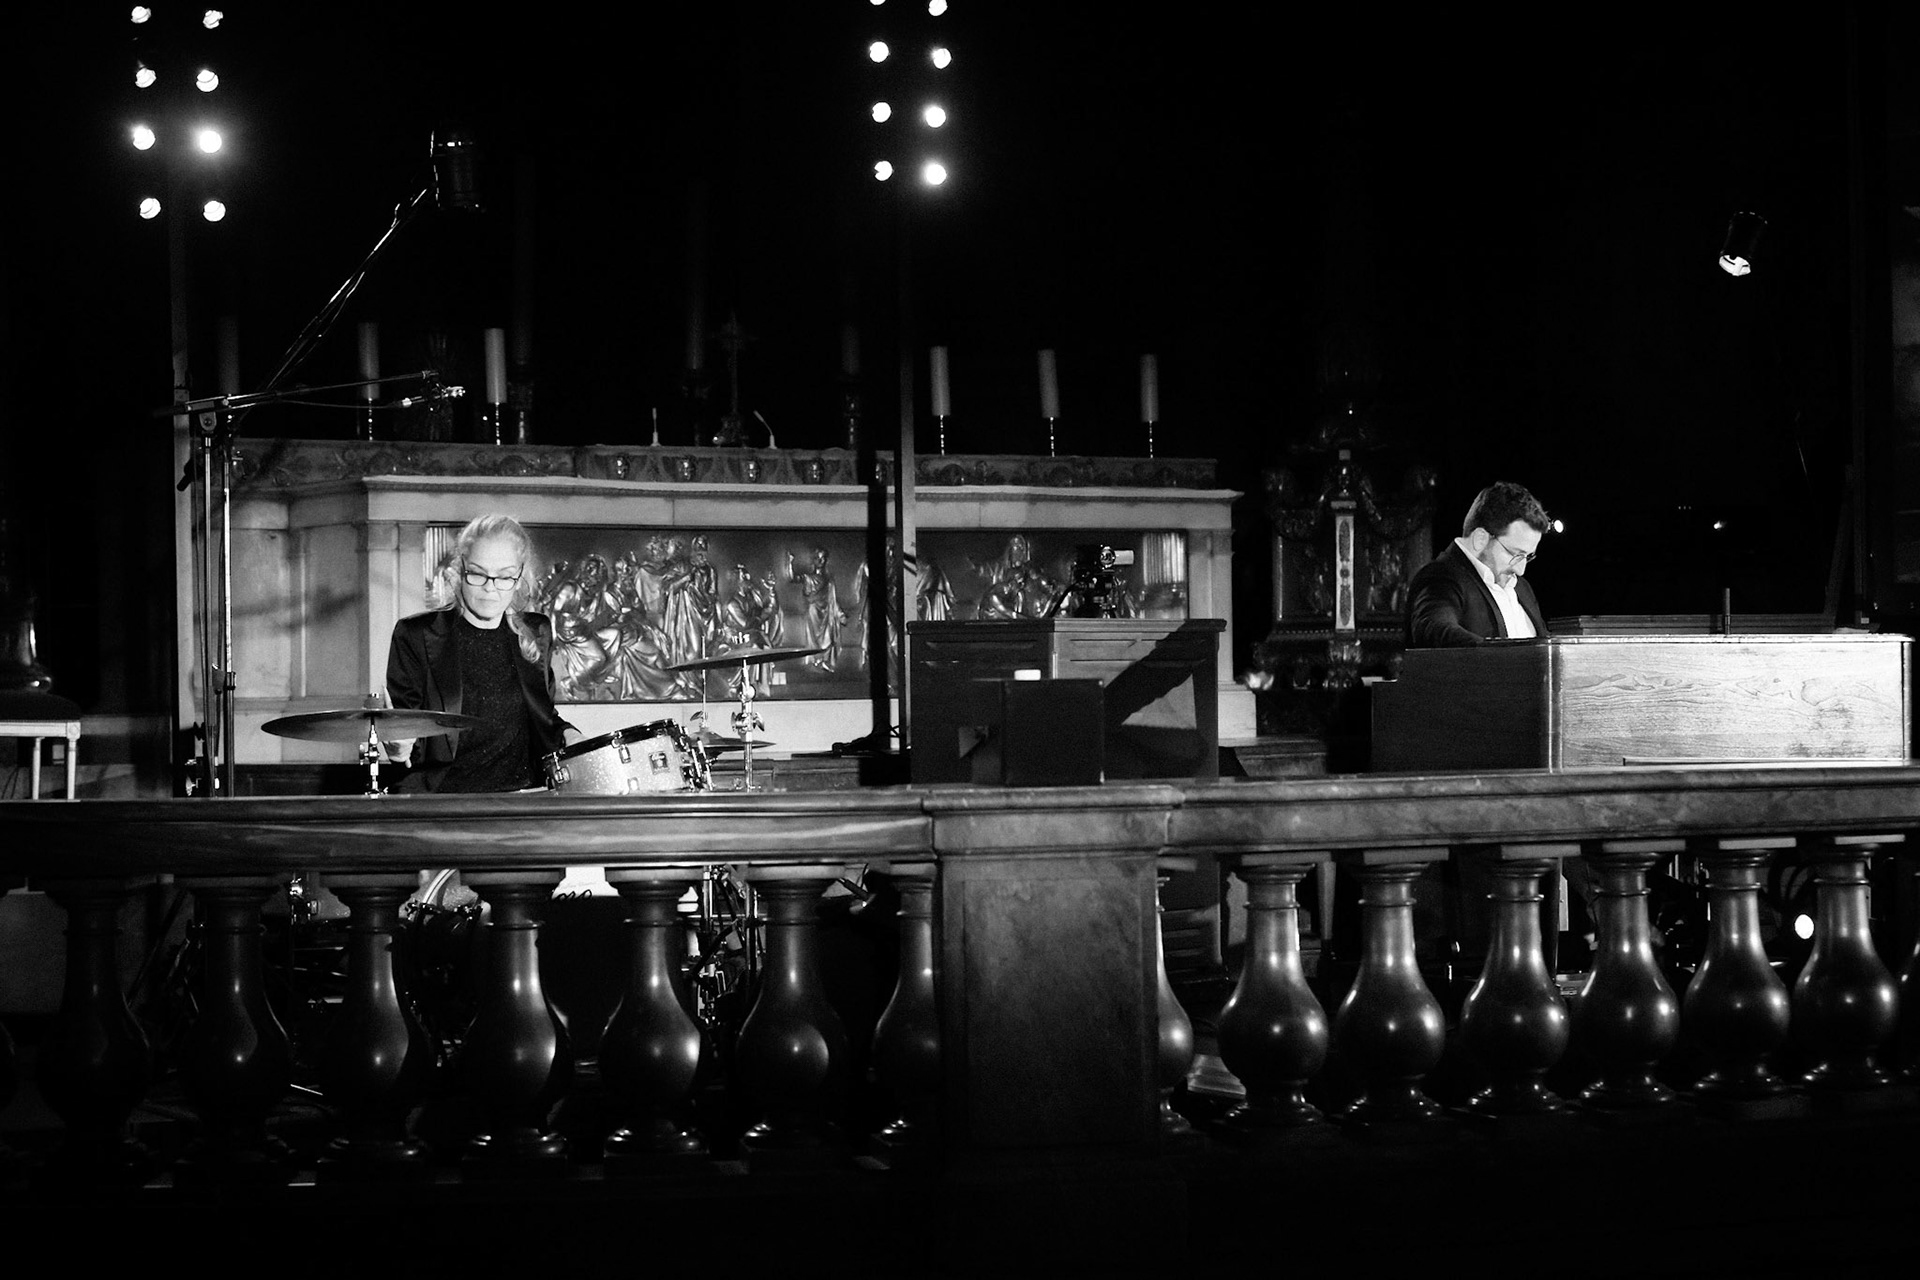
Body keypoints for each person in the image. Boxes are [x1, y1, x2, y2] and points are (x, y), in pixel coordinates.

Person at [385, 514, 575, 791]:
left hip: (524, 798)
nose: (490, 587)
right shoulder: (415, 634)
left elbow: (544, 719)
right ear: (459, 570)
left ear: (520, 577)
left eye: (505, 576)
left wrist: (572, 735)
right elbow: (407, 731)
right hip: (442, 803)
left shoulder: (536, 632)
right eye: (477, 573)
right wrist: (398, 750)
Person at [1405, 480, 1551, 647]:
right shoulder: (1440, 578)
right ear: (1481, 538)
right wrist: (1501, 656)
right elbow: (1434, 628)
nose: (1521, 570)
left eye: (1528, 556)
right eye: (1515, 554)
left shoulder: (1522, 588)